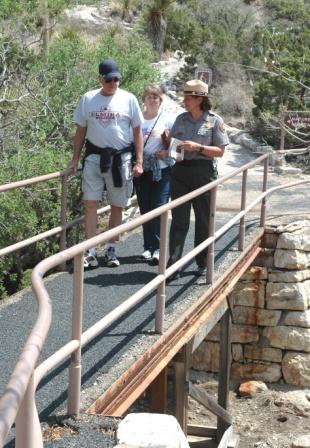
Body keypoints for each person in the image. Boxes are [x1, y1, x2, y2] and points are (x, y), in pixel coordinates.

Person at [69, 59, 144, 268]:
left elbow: (137, 132)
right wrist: (74, 159)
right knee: (90, 203)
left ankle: (112, 248)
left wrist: (139, 161)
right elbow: (81, 130)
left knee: (116, 205)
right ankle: (91, 251)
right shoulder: (88, 99)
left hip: (121, 159)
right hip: (94, 158)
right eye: (109, 79)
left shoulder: (128, 99)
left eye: (117, 79)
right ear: (100, 79)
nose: (114, 83)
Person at [167, 79, 229, 279]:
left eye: (188, 97)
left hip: (203, 172)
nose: (184, 100)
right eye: (184, 97)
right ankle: (173, 263)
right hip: (181, 172)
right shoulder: (181, 119)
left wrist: (198, 148)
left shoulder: (214, 121)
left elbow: (220, 151)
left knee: (203, 219)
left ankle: (202, 260)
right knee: (179, 219)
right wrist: (171, 147)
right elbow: (173, 146)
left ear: (199, 99)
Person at [135, 85, 175, 265]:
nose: (152, 100)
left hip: (162, 169)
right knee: (145, 208)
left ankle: (159, 248)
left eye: (156, 97)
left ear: (160, 100)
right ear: (143, 99)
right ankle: (148, 247)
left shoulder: (167, 120)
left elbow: (177, 145)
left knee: (158, 207)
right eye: (149, 97)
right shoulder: (137, 120)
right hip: (142, 169)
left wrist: (167, 152)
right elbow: (131, 143)